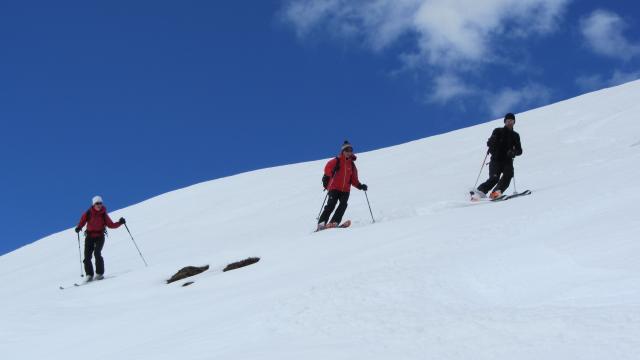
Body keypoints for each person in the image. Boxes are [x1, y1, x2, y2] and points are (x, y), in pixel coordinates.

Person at [471, 112, 523, 200]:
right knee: (494, 178)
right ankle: (479, 193)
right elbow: (489, 143)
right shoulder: (498, 131)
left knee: (508, 175)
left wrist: (513, 152)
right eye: (508, 121)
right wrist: (492, 141)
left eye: (511, 121)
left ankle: (496, 192)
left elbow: (519, 150)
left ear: (514, 122)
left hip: (507, 160)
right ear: (505, 122)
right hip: (496, 159)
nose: (509, 122)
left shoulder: (515, 135)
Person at [317, 140, 368, 230]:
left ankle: (334, 222)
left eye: (350, 150)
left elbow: (354, 179)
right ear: (343, 151)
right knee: (331, 204)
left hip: (345, 190)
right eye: (347, 150)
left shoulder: (351, 165)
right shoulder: (336, 161)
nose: (349, 152)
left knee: (343, 204)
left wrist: (360, 186)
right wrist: (332, 171)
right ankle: (322, 223)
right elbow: (326, 169)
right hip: (334, 187)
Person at [75, 196, 125, 281]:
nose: (99, 205)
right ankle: (89, 275)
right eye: (97, 203)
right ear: (93, 205)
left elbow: (110, 225)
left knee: (97, 253)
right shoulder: (88, 213)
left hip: (100, 236)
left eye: (100, 203)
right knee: (87, 257)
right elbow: (82, 221)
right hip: (90, 236)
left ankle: (99, 273)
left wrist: (120, 223)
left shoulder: (103, 214)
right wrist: (79, 227)